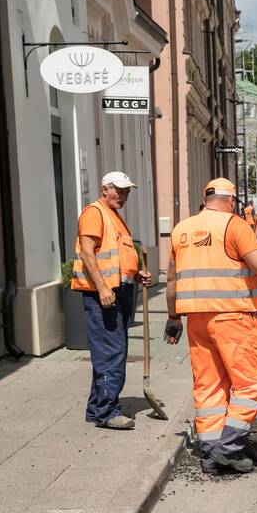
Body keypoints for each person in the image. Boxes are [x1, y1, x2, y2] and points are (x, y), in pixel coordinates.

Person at [163, 178, 257, 474]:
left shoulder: (181, 230)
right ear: (230, 200)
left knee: (209, 385)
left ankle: (211, 452)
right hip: (232, 316)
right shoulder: (234, 224)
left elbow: (172, 280)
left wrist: (173, 317)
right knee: (250, 382)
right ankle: (230, 446)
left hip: (196, 320)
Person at [71, 171, 151, 430]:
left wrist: (135, 274)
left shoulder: (113, 216)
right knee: (111, 352)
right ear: (105, 189)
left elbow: (115, 257)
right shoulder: (95, 213)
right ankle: (107, 411)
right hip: (103, 295)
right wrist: (103, 288)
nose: (124, 195)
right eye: (119, 190)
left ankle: (97, 408)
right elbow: (87, 251)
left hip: (117, 291)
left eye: (127, 191)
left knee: (111, 350)